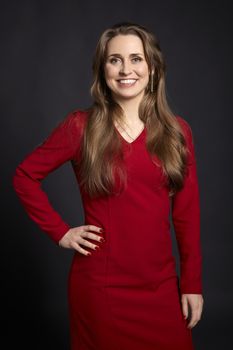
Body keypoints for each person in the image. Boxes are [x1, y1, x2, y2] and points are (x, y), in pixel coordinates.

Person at [12, 21, 204, 350]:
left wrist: (192, 285)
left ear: (153, 68)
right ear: (102, 71)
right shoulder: (80, 127)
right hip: (101, 291)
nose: (125, 69)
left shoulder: (177, 132)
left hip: (160, 289)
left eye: (136, 59)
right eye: (114, 60)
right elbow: (24, 177)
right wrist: (61, 232)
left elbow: (186, 217)